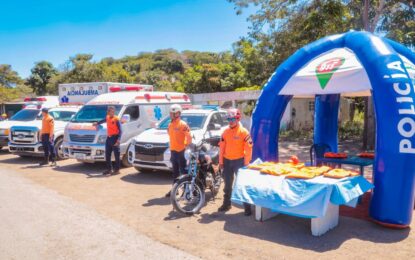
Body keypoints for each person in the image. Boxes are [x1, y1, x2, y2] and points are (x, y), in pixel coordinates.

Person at [218, 108, 253, 215]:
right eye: (229, 119)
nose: (231, 121)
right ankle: (226, 204)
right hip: (227, 161)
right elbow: (222, 148)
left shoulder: (243, 132)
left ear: (238, 118)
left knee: (242, 184)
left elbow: (249, 147)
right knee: (227, 185)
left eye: (233, 118)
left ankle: (247, 207)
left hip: (240, 162)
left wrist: (247, 162)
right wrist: (221, 162)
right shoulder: (225, 132)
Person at [166, 104, 192, 197]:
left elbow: (189, 137)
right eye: (170, 113)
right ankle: (175, 190)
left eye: (172, 113)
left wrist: (185, 145)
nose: (170, 115)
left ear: (177, 113)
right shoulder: (170, 124)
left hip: (181, 152)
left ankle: (186, 191)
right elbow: (170, 134)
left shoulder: (183, 124)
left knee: (183, 172)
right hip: (173, 151)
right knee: (175, 172)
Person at [93, 106, 122, 175]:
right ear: (108, 112)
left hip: (115, 138)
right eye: (110, 111)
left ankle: (117, 170)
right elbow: (103, 120)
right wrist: (97, 123)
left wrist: (118, 140)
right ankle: (109, 169)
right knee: (107, 154)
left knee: (116, 155)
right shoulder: (107, 117)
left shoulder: (116, 119)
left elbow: (120, 131)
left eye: (113, 111)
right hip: (109, 138)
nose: (112, 112)